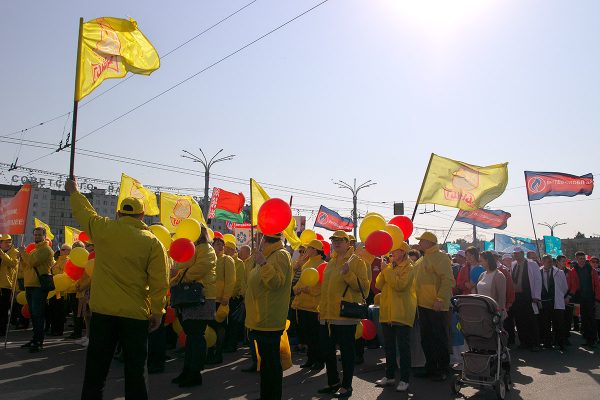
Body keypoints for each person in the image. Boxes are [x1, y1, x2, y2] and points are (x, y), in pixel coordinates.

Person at [66, 178, 169, 400]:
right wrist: (158, 312)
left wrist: (74, 192)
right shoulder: (153, 242)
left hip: (103, 313)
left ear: (120, 214)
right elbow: (160, 282)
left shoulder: (104, 229)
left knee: (96, 371)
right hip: (135, 316)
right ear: (142, 216)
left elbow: (86, 214)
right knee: (136, 372)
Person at [318, 230, 369, 398]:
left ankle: (347, 386)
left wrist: (348, 274)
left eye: (341, 240)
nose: (336, 242)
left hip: (345, 316)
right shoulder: (331, 262)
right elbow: (325, 290)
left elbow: (364, 289)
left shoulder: (357, 261)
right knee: (326, 351)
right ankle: (333, 383)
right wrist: (322, 311)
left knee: (347, 354)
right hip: (328, 316)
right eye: (334, 240)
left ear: (348, 243)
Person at [245, 231, 293, 400]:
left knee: (271, 363)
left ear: (265, 238)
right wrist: (256, 257)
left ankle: (272, 396)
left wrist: (263, 263)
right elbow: (250, 280)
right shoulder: (265, 255)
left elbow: (275, 283)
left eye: (261, 235)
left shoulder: (280, 255)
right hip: (259, 318)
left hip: (269, 319)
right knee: (266, 363)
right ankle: (267, 395)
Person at [170, 225, 216, 387]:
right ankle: (188, 370)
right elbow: (183, 266)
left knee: (196, 336)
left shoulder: (206, 249)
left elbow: (199, 269)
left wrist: (179, 278)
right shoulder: (194, 248)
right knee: (191, 336)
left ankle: (195, 373)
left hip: (201, 298)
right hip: (190, 297)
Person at [413, 231, 455, 382]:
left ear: (430, 242)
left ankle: (443, 369)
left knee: (439, 338)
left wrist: (440, 299)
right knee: (426, 339)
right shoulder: (421, 260)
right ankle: (430, 367)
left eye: (422, 241)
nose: (419, 243)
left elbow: (448, 280)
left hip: (437, 306)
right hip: (422, 305)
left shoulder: (441, 257)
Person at [375, 241, 415, 392]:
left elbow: (400, 286)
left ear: (403, 252)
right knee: (389, 347)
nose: (392, 252)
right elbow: (378, 285)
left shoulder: (409, 267)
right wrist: (384, 269)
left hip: (402, 313)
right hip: (387, 312)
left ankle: (405, 379)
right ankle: (390, 376)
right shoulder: (390, 266)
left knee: (403, 348)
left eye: (396, 250)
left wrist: (387, 271)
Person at [18, 227, 54, 353]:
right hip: (30, 285)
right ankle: (35, 339)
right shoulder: (34, 250)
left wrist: (23, 253)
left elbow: (32, 262)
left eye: (39, 235)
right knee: (33, 315)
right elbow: (26, 265)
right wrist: (22, 258)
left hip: (39, 286)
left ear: (44, 236)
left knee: (38, 315)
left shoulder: (46, 249)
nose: (37, 237)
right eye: (35, 235)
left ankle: (39, 341)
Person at [291, 239, 325, 370]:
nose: (306, 251)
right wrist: (296, 289)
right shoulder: (307, 263)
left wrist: (307, 290)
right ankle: (310, 360)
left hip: (313, 307)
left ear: (315, 250)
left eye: (309, 248)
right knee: (307, 336)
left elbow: (321, 287)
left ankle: (319, 361)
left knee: (315, 336)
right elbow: (300, 281)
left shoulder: (322, 264)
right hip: (302, 305)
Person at [207, 234, 236, 364]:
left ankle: (218, 353)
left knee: (220, 327)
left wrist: (226, 297)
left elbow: (231, 280)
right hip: (209, 299)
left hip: (220, 300)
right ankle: (210, 352)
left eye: (221, 244)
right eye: (217, 244)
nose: (219, 246)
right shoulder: (209, 258)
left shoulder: (227, 260)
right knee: (210, 327)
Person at [509, 247, 542, 351]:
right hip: (517, 297)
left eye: (518, 254)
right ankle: (524, 342)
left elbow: (537, 280)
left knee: (531, 320)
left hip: (529, 296)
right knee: (519, 320)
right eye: (514, 254)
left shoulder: (532, 264)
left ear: (522, 253)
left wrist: (536, 295)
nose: (516, 255)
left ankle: (535, 343)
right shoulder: (513, 264)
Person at [567, 251, 600, 347]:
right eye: (580, 259)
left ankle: (592, 339)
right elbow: (572, 285)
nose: (582, 260)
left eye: (583, 258)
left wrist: (597, 298)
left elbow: (597, 285)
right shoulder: (573, 271)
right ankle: (587, 339)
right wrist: (569, 295)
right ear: (576, 259)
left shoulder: (591, 270)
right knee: (584, 319)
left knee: (591, 319)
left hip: (590, 298)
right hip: (579, 298)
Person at [539, 254, 568, 350]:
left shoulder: (559, 272)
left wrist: (559, 295)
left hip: (556, 301)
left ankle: (560, 343)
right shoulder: (538, 272)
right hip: (544, 302)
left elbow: (564, 287)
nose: (550, 263)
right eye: (548, 262)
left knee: (559, 323)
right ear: (543, 262)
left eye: (551, 261)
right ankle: (547, 343)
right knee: (545, 323)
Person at [223, 240, 246, 353]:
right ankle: (225, 343)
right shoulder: (222, 260)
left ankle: (231, 345)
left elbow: (239, 281)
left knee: (233, 323)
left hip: (233, 298)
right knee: (224, 323)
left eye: (227, 249)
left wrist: (234, 294)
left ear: (232, 250)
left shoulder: (239, 263)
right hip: (223, 297)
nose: (225, 250)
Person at [47, 244, 71, 336]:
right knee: (53, 310)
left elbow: (65, 275)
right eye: (61, 249)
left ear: (69, 251)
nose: (61, 251)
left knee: (59, 311)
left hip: (60, 291)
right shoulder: (57, 261)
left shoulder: (67, 261)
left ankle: (58, 330)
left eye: (64, 249)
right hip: (53, 289)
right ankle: (53, 329)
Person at [0, 234, 19, 337]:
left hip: (6, 285)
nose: (8, 244)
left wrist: (2, 254)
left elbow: (13, 264)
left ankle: (2, 330)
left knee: (3, 309)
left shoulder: (14, 252)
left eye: (9, 241)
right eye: (5, 242)